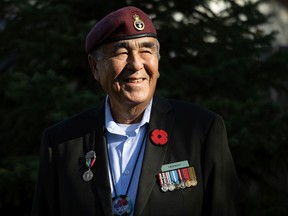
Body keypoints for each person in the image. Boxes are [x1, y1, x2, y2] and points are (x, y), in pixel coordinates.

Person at [31, 6, 239, 216]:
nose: (136, 64)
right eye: (121, 52)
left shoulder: (200, 130)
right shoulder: (61, 142)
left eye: (146, 51)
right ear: (95, 67)